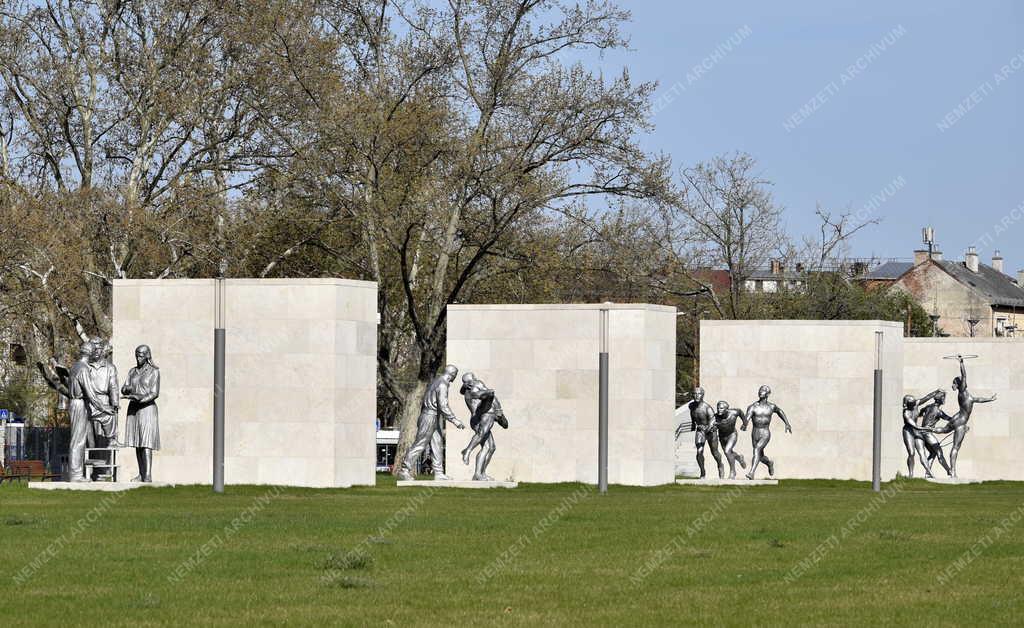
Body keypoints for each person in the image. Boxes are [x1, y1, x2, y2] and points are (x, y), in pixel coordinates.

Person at [931, 355, 996, 478]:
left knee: (944, 430)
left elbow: (979, 399)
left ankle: (929, 429)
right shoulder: (962, 393)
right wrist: (961, 363)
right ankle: (953, 472)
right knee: (955, 447)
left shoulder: (968, 397)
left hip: (956, 418)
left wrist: (990, 399)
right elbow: (964, 376)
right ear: (962, 384)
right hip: (960, 422)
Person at [397, 365, 465, 481]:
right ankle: (404, 469)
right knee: (420, 444)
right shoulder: (443, 384)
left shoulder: (437, 381)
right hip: (429, 416)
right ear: (453, 374)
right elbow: (443, 405)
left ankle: (438, 473)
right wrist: (454, 420)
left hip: (432, 416)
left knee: (437, 444)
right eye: (455, 375)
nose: (455, 378)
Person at [122, 345, 161, 482]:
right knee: (137, 442)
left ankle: (148, 475)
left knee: (146, 442)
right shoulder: (132, 371)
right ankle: (141, 473)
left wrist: (140, 399)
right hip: (133, 408)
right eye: (137, 354)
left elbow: (155, 392)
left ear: (147, 356)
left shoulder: (154, 371)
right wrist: (126, 389)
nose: (138, 357)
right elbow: (124, 387)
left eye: (141, 355)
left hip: (147, 408)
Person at [459, 372, 508, 481]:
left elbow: (463, 391)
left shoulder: (466, 391)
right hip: (484, 416)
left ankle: (479, 474)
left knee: (490, 447)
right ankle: (467, 450)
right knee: (482, 435)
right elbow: (489, 395)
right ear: (472, 380)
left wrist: (464, 386)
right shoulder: (477, 384)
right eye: (474, 378)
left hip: (476, 418)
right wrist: (499, 411)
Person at [742, 385, 792, 480]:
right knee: (760, 456)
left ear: (768, 394)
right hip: (755, 432)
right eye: (760, 390)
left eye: (764, 391)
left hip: (765, 432)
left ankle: (751, 473)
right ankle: (769, 463)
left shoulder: (771, 406)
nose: (761, 392)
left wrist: (787, 423)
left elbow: (780, 411)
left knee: (756, 450)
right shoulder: (753, 407)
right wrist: (745, 424)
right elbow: (747, 417)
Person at [681, 387, 724, 479]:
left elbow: (713, 420)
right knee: (699, 452)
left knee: (715, 452)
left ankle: (720, 465)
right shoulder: (691, 406)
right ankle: (703, 472)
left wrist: (707, 430)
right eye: (695, 394)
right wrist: (693, 423)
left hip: (711, 431)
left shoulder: (707, 408)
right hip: (700, 431)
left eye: (699, 394)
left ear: (703, 395)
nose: (697, 396)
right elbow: (692, 415)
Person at [86, 338, 119, 448]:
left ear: (102, 350)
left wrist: (114, 403)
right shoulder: (85, 366)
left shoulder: (110, 368)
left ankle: (111, 441)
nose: (95, 351)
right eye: (93, 349)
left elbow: (113, 386)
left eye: (98, 349)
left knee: (110, 415)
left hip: (104, 399)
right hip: (88, 401)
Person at [900, 389, 941, 478]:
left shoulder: (916, 404)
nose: (915, 403)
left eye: (914, 401)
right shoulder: (906, 413)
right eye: (912, 402)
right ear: (907, 404)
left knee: (922, 452)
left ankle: (929, 472)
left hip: (916, 431)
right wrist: (926, 428)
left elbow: (926, 398)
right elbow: (915, 425)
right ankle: (911, 474)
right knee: (911, 453)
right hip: (908, 431)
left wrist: (936, 391)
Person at [915, 391, 955, 478]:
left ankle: (928, 473)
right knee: (939, 452)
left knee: (933, 453)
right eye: (944, 398)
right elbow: (950, 419)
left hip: (921, 433)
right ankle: (949, 471)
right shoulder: (938, 412)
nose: (945, 400)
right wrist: (959, 423)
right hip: (927, 434)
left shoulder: (928, 407)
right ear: (941, 399)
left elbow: (921, 411)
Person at [713, 401, 747, 479]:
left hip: (732, 434)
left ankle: (733, 471)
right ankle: (739, 457)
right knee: (729, 453)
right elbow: (710, 425)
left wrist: (745, 423)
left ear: (726, 409)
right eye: (718, 408)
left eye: (721, 408)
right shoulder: (715, 417)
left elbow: (741, 413)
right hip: (722, 437)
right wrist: (711, 428)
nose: (719, 410)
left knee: (727, 451)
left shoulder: (734, 412)